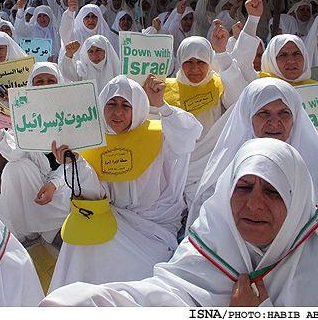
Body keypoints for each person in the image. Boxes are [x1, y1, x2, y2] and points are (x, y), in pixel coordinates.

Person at [41, 138, 318, 306]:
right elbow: (170, 295)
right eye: (243, 187)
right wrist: (94, 303)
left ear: (296, 200)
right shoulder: (216, 234)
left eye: (273, 191)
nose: (255, 203)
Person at [47, 75, 202, 291]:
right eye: (111, 104)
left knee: (132, 267)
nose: (117, 112)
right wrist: (74, 163)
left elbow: (189, 134)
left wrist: (161, 105)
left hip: (152, 227)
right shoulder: (92, 140)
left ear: (137, 107)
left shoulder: (157, 136)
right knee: (78, 247)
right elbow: (92, 197)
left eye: (125, 105)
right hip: (109, 218)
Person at [189, 77, 318, 234]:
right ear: (248, 116)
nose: (274, 122)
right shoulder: (225, 168)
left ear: (295, 117)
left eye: (284, 113)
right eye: (264, 113)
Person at [0, 62, 71, 244]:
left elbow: (77, 160)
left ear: (59, 83)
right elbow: (13, 154)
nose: (45, 86)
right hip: (36, 180)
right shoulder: (23, 111)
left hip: (64, 182)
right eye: (39, 82)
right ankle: (25, 233)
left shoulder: (70, 113)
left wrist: (54, 184)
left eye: (51, 81)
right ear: (31, 85)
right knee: (15, 168)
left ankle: (48, 227)